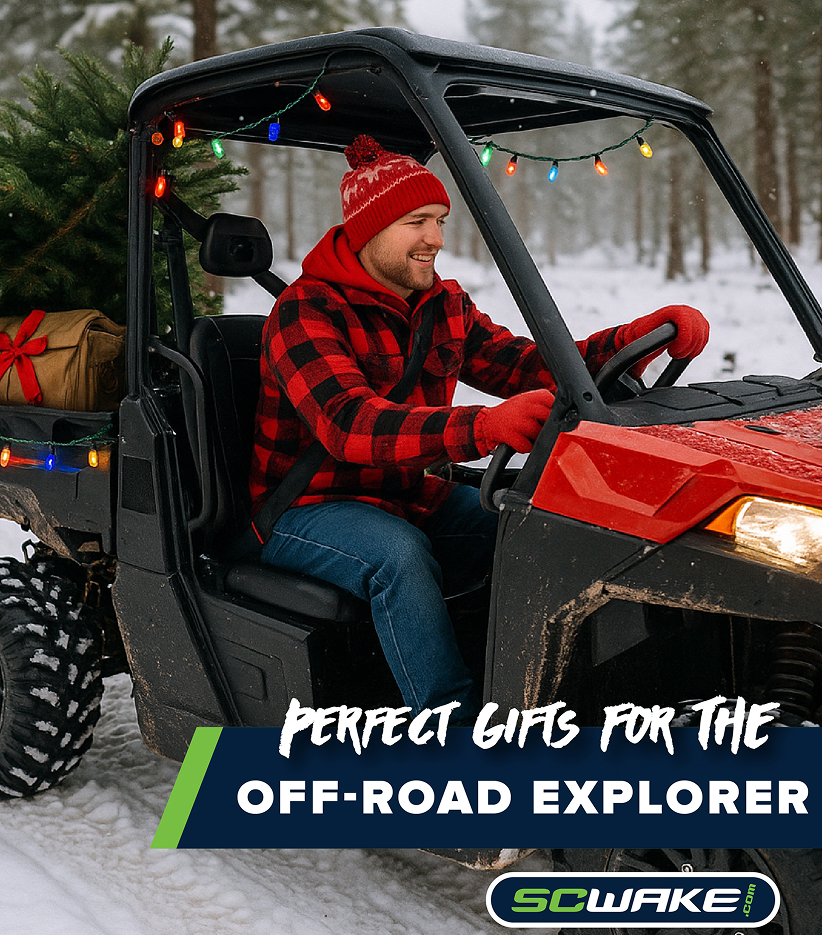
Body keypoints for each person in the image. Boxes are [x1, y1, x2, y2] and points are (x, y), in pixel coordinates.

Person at [248, 134, 709, 724]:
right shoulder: (306, 311)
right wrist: (484, 426)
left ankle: (557, 697)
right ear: (368, 230)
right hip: (309, 508)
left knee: (538, 527)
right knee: (398, 558)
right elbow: (350, 425)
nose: (436, 239)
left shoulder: (443, 304)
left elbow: (525, 365)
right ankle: (453, 730)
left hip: (411, 495)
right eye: (417, 221)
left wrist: (633, 338)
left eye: (439, 220)